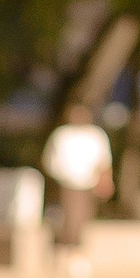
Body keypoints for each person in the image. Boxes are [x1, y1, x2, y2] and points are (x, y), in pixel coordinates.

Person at [42, 100, 113, 254]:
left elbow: (104, 161)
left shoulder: (96, 135)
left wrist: (105, 181)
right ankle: (67, 247)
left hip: (89, 183)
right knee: (70, 216)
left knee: (84, 217)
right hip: (68, 183)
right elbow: (50, 161)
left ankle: (76, 248)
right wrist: (62, 176)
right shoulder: (62, 135)